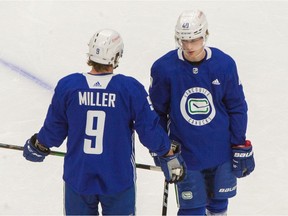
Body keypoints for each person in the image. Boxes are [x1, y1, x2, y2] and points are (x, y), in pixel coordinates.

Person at [23, 29, 186, 215]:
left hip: (78, 177)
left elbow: (54, 130)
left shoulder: (69, 86)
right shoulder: (129, 89)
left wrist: (38, 145)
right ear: (117, 56)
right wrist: (167, 152)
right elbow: (149, 130)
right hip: (118, 179)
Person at [149, 10, 255, 215]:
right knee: (192, 210)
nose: (189, 46)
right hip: (186, 156)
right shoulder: (164, 68)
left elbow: (237, 107)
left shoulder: (224, 64)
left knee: (218, 207)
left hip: (221, 153)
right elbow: (158, 113)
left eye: (195, 39)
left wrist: (238, 142)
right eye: (184, 40)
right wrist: (161, 148)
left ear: (205, 34)